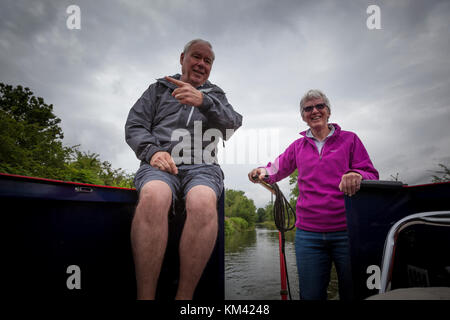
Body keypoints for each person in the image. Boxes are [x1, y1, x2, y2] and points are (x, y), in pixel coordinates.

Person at [125, 39, 242, 300]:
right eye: (196, 57)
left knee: (202, 201)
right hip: (160, 163)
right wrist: (152, 152)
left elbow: (232, 126)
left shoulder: (216, 95)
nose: (201, 64)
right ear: (182, 58)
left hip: (203, 166)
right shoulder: (158, 89)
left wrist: (204, 102)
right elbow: (135, 125)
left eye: (208, 60)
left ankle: (184, 299)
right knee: (154, 195)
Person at [248, 89, 378, 300]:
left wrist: (357, 173)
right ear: (303, 116)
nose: (315, 111)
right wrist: (262, 171)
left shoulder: (350, 140)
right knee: (310, 296)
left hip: (347, 231)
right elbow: (275, 169)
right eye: (308, 109)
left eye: (320, 106)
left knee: (354, 293)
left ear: (328, 111)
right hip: (308, 235)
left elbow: (372, 174)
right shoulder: (298, 147)